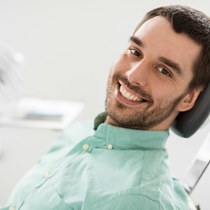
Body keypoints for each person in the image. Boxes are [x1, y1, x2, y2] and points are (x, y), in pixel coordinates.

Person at [2, 5, 210, 210]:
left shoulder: (140, 200)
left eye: (163, 70)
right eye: (135, 51)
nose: (133, 75)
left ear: (189, 98)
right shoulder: (78, 134)